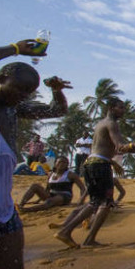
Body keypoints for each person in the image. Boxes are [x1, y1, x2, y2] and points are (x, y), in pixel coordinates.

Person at [0, 61, 70, 269]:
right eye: (19, 89)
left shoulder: (13, 108)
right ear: (1, 78)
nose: (22, 96)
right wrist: (14, 48)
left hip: (1, 200)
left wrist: (56, 91)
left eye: (28, 93)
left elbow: (57, 110)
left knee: (11, 267)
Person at [55, 98, 128, 248]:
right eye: (120, 107)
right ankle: (87, 238)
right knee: (105, 203)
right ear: (111, 108)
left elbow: (101, 148)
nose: (123, 111)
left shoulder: (101, 123)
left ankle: (67, 231)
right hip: (100, 165)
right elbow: (121, 146)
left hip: (92, 163)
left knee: (95, 202)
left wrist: (112, 161)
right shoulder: (111, 123)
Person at [18, 155, 85, 213]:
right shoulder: (51, 174)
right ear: (55, 163)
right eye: (60, 162)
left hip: (64, 196)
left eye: (64, 163)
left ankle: (27, 210)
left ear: (67, 165)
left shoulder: (70, 175)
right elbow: (48, 188)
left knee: (49, 201)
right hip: (51, 194)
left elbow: (82, 188)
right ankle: (21, 204)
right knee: (35, 186)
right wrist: (38, 200)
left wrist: (81, 200)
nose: (62, 164)